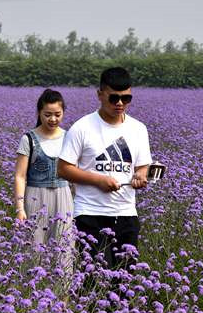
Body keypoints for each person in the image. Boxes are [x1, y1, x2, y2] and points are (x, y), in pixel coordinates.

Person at [57, 67, 152, 272]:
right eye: (114, 98)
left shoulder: (138, 129)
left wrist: (140, 176)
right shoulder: (82, 128)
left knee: (124, 282)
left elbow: (143, 165)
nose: (120, 104)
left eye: (126, 98)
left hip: (127, 214)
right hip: (90, 215)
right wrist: (98, 180)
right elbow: (63, 169)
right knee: (93, 282)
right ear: (100, 95)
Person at [13, 89, 75, 275]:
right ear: (39, 113)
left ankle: (63, 301)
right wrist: (20, 208)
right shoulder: (28, 139)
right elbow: (20, 176)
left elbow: (76, 172)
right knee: (33, 250)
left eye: (57, 114)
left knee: (64, 252)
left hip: (63, 196)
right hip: (35, 197)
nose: (53, 119)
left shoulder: (69, 136)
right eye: (47, 115)